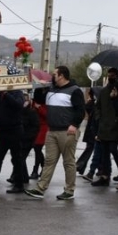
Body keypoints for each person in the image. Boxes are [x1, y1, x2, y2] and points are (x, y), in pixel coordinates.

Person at [25, 66, 85, 200]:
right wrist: (40, 87)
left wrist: (74, 125)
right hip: (52, 131)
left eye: (54, 74)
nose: (52, 77)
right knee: (49, 161)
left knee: (68, 161)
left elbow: (80, 110)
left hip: (67, 131)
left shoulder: (74, 91)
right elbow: (39, 100)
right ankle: (40, 188)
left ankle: (69, 190)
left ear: (61, 76)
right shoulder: (51, 89)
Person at [91, 67, 118, 187]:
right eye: (109, 75)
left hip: (116, 127)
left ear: (117, 76)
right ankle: (105, 176)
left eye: (113, 75)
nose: (111, 77)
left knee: (113, 149)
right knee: (104, 152)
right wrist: (98, 117)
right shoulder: (104, 91)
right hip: (104, 126)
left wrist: (116, 97)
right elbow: (97, 106)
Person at [76, 88, 97, 175]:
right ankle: (81, 166)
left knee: (91, 149)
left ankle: (81, 166)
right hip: (93, 130)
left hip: (93, 130)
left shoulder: (92, 104)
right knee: (91, 148)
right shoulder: (93, 104)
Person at [30, 87, 48, 179]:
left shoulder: (45, 104)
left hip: (43, 127)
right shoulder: (33, 102)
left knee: (37, 148)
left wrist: (39, 107)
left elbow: (46, 115)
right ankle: (43, 168)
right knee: (37, 149)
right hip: (35, 127)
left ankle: (35, 170)